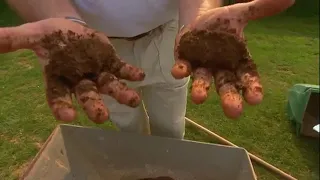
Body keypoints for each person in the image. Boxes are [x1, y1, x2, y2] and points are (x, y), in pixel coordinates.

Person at [0, 0, 294, 139]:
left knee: (170, 124)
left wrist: (200, 14)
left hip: (171, 40)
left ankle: (168, 167)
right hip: (94, 50)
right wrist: (60, 17)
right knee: (126, 125)